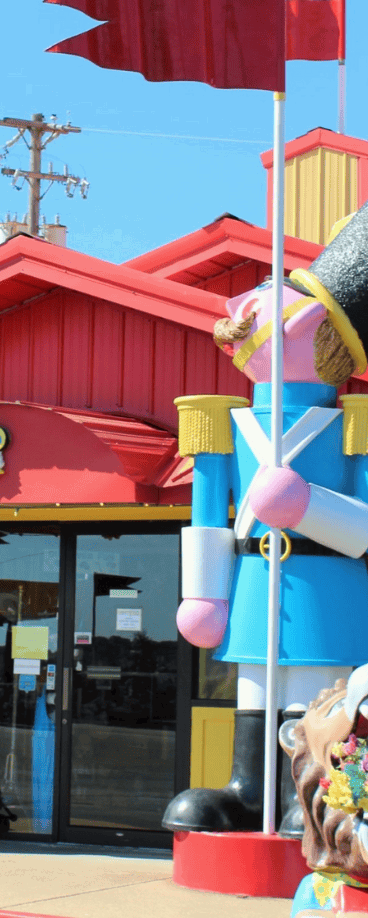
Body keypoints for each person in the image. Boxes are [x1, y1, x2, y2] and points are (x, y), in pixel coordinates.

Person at [162, 206, 368, 835]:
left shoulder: (355, 426)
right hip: (255, 580)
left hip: (324, 585)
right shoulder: (222, 420)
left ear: (311, 323)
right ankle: (248, 792)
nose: (237, 312)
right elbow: (207, 510)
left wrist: (308, 507)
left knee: (317, 703)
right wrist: (202, 591)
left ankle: (315, 802)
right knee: (255, 693)